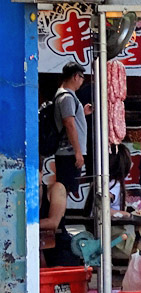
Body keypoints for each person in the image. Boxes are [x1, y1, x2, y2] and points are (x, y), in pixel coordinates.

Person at [54, 62, 93, 196]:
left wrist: (81, 112)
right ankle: (59, 215)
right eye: (82, 77)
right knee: (65, 189)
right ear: (76, 76)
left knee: (67, 189)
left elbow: (70, 118)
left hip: (69, 152)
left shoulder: (67, 96)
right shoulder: (67, 97)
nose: (82, 81)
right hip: (68, 153)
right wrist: (78, 152)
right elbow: (69, 124)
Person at [40, 167, 81, 267]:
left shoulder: (56, 188)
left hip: (59, 249)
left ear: (41, 173)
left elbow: (53, 223)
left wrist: (21, 224)